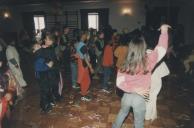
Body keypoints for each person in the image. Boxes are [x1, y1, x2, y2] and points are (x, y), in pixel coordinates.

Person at [112, 24, 170, 128]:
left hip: (126, 96)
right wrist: (164, 32)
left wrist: (132, 89)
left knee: (122, 113)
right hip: (140, 98)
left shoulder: (125, 63)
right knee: (138, 122)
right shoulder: (148, 61)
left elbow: (119, 83)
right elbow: (161, 49)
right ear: (144, 47)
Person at [33, 43, 53, 113]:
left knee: (44, 90)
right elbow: (49, 64)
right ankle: (45, 108)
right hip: (42, 75)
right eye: (37, 46)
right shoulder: (38, 56)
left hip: (42, 75)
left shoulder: (39, 54)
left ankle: (44, 105)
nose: (39, 46)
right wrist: (49, 63)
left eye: (39, 45)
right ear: (34, 50)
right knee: (44, 91)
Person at [76, 33, 94, 102]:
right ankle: (83, 95)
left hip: (82, 63)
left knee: (85, 80)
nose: (87, 36)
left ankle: (84, 92)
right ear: (83, 37)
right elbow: (86, 57)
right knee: (86, 80)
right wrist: (90, 67)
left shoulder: (80, 44)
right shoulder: (82, 45)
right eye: (86, 35)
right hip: (83, 64)